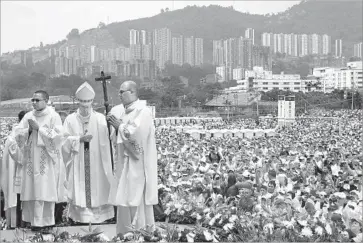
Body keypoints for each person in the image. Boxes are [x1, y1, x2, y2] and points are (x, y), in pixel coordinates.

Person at [107, 80, 158, 235]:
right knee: (123, 198)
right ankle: (123, 233)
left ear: (133, 92)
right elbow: (116, 138)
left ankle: (141, 233)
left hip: (137, 163)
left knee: (136, 198)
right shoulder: (123, 112)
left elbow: (138, 135)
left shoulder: (143, 111)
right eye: (120, 92)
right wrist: (115, 129)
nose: (119, 94)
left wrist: (119, 127)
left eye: (122, 91)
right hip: (124, 163)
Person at [13, 91, 66, 231]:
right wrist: (29, 131)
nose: (34, 102)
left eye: (37, 100)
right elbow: (17, 133)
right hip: (30, 160)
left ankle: (47, 222)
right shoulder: (28, 116)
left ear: (46, 100)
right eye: (33, 100)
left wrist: (40, 129)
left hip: (46, 162)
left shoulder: (53, 116)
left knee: (45, 191)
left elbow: (59, 137)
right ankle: (33, 222)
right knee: (32, 191)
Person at [62, 82, 115, 223]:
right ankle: (80, 217)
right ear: (78, 102)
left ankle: (100, 216)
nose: (85, 107)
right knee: (80, 188)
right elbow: (63, 141)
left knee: (99, 185)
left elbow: (110, 137)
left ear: (92, 103)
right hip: (78, 159)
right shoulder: (70, 119)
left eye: (88, 104)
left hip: (97, 160)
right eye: (82, 104)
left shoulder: (100, 119)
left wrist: (111, 124)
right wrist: (79, 139)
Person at [0, 110, 26, 229]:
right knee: (17, 198)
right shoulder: (13, 137)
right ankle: (18, 224)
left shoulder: (11, 137)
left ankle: (19, 223)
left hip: (21, 174)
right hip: (17, 173)